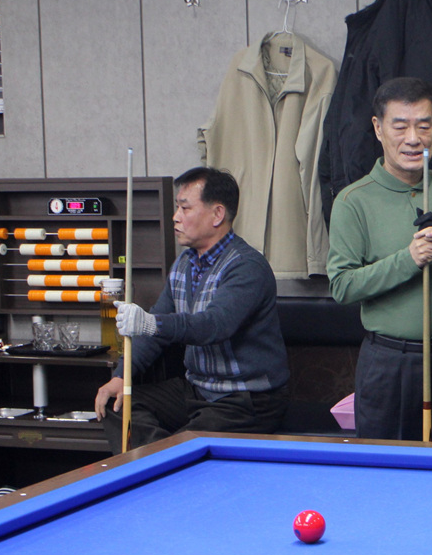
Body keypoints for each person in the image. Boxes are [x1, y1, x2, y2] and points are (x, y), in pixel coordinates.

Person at [327, 77, 432, 443]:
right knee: (392, 472)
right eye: (400, 126)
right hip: (392, 366)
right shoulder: (353, 201)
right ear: (378, 128)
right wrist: (409, 259)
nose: (413, 138)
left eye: (423, 125)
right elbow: (342, 285)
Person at [95, 167, 290, 448]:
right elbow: (154, 332)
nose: (176, 217)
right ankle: (167, 460)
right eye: (177, 207)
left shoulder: (247, 266)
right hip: (197, 389)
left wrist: (151, 323)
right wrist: (121, 376)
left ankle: (167, 459)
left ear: (217, 214)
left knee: (184, 445)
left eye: (185, 208)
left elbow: (215, 325)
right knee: (117, 405)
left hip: (247, 398)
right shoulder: (184, 263)